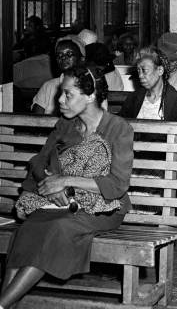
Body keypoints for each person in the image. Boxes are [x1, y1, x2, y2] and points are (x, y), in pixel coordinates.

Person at [0, 66, 133, 308]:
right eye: (61, 93)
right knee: (28, 228)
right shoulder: (66, 125)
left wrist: (65, 181)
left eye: (68, 94)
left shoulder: (118, 128)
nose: (60, 100)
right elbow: (39, 161)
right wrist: (52, 186)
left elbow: (117, 185)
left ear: (90, 96)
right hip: (59, 204)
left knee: (57, 228)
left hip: (104, 209)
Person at [120, 47, 177, 122]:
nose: (140, 75)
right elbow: (121, 124)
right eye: (138, 71)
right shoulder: (133, 98)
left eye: (144, 70)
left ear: (160, 70)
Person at [32, 35, 86, 115]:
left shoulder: (88, 87)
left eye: (69, 54)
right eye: (59, 55)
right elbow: (36, 119)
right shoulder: (49, 86)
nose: (63, 58)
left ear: (82, 59)